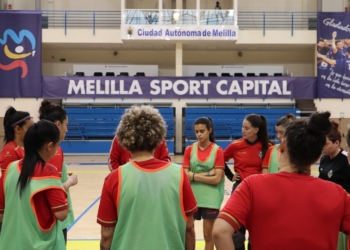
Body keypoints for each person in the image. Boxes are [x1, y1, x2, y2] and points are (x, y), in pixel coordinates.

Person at [212, 112, 350, 250]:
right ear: (316, 158)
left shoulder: (252, 186)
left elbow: (220, 231)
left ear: (282, 147)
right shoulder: (338, 193)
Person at [97, 105, 198, 250]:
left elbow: (106, 235)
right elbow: (189, 227)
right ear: (158, 136)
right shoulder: (179, 174)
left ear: (124, 137)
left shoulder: (114, 178)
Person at [0, 120, 68, 249]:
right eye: (57, 146)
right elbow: (62, 214)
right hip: (38, 244)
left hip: (9, 244)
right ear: (49, 146)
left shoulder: (11, 168)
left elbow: (1, 211)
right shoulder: (49, 171)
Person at [223, 114, 272, 250]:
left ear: (256, 130)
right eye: (242, 127)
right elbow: (220, 159)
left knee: (258, 226)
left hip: (260, 189)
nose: (243, 130)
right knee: (237, 229)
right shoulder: (236, 145)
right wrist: (230, 176)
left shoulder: (267, 147)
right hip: (241, 188)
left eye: (247, 128)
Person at [39, 99, 78, 244]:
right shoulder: (53, 151)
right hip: (54, 218)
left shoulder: (38, 148)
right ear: (57, 124)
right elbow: (52, 190)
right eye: (66, 125)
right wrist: (69, 182)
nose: (67, 130)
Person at [182, 117, 225, 250]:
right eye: (196, 131)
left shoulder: (217, 150)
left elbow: (217, 179)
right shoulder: (189, 149)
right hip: (192, 196)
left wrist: (193, 175)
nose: (199, 134)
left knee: (208, 235)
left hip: (211, 198)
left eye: (202, 131)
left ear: (209, 130)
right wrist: (207, 174)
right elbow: (185, 176)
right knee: (188, 230)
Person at [318, 120, 350, 250]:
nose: (322, 147)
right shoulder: (324, 159)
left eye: (325, 144)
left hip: (342, 210)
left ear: (337, 143)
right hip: (326, 208)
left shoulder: (345, 160)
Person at [0, 107, 33, 175]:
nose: (33, 131)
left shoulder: (29, 147)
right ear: (18, 129)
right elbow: (7, 181)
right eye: (30, 128)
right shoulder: (10, 151)